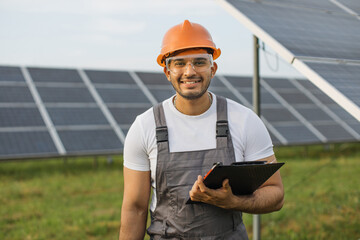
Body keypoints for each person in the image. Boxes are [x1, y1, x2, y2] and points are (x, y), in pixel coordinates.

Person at [119, 20, 284, 240]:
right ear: (167, 71)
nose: (190, 71)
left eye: (199, 62)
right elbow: (135, 208)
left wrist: (233, 202)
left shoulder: (244, 120)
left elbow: (276, 194)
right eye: (179, 63)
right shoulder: (145, 127)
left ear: (212, 68)